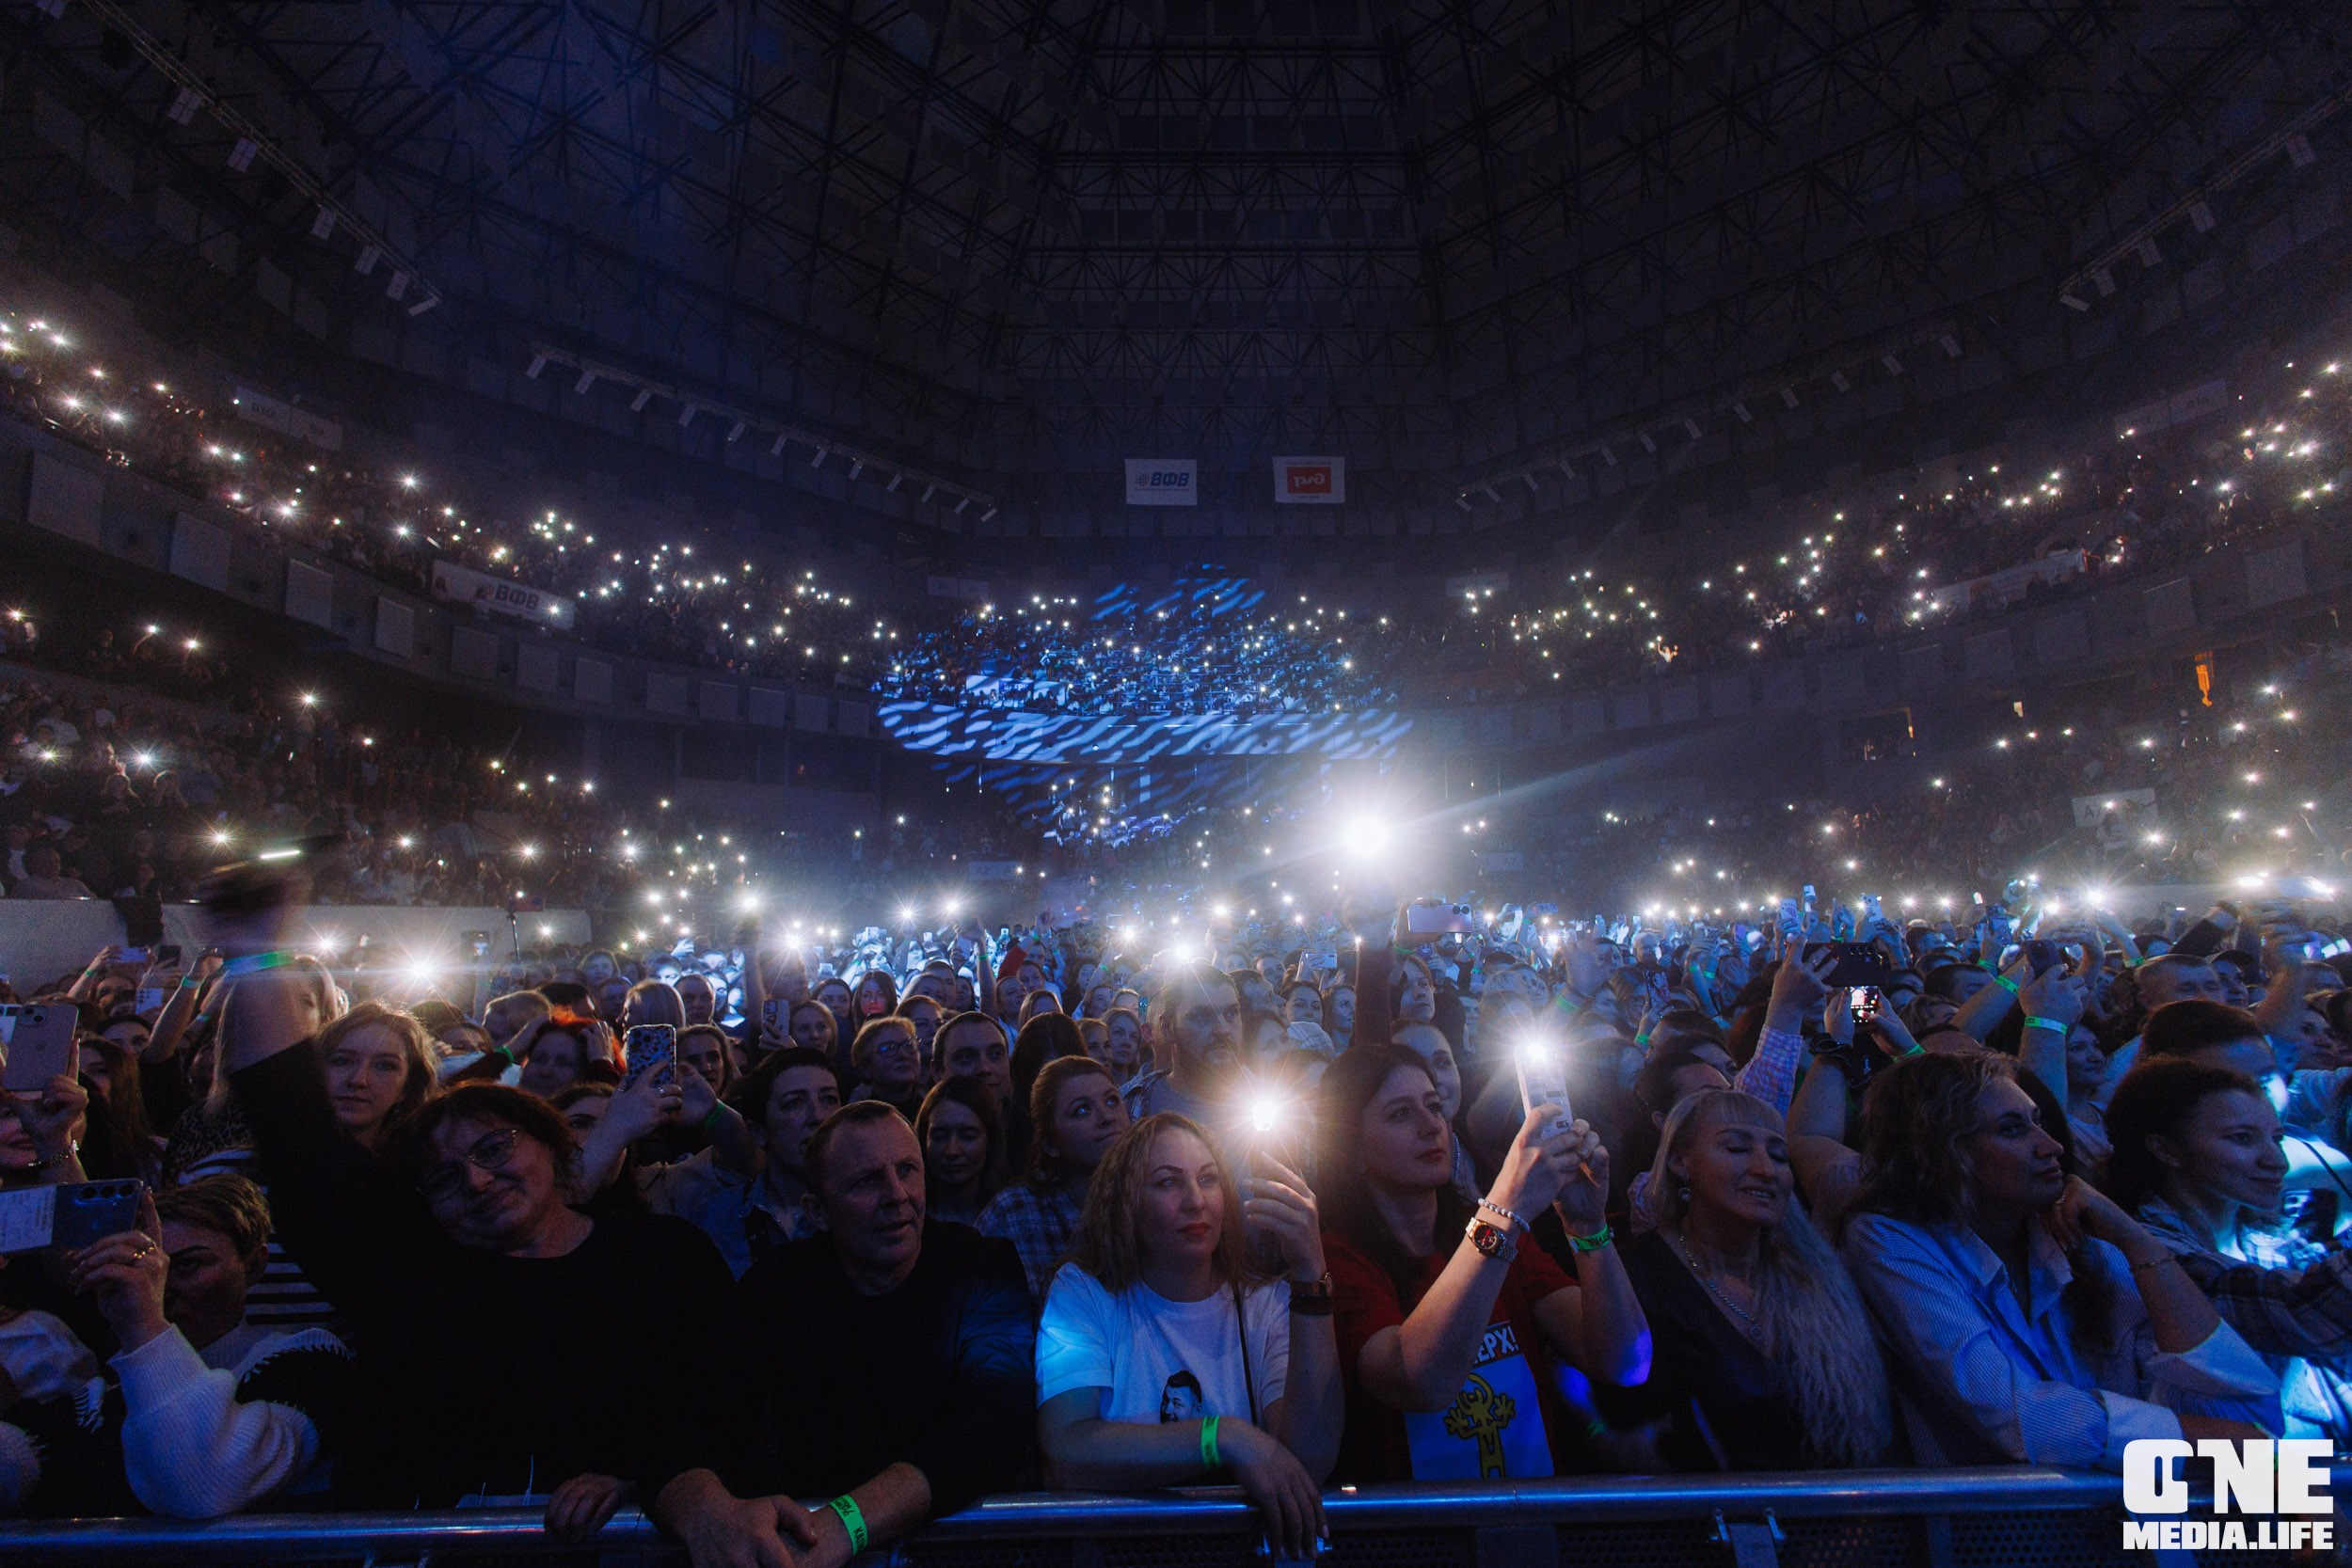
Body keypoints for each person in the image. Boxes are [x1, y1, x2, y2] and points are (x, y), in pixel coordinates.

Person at [216, 879, 743, 1544]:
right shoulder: (410, 1275)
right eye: (442, 1174)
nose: (475, 1177)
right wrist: (258, 953)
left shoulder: (663, 1259)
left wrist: (649, 1478)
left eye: (495, 1147)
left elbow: (723, 1405)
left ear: (555, 1149)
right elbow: (293, 1126)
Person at [1838, 1053, 2279, 1467]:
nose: (2051, 1146)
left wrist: (2140, 1245)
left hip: (2139, 1533)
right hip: (2002, 1537)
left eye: (2039, 1122)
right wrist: (2214, 1442)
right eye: (2012, 1130)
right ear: (1942, 1151)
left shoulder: (2086, 1246)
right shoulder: (1889, 1241)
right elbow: (2016, 1415)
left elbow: (2247, 1408)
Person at [669, 1101, 1034, 1566]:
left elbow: (994, 1422)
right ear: (817, 1212)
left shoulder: (981, 1267)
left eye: (907, 1169)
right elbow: (695, 1414)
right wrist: (706, 1511)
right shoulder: (779, 1285)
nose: (898, 1194)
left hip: (955, 1549)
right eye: (867, 1180)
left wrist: (847, 1523)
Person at [1313, 1044, 1649, 1481]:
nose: (1431, 1125)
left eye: (1434, 1106)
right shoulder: (1335, 1260)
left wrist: (1587, 1227)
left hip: (1531, 1518)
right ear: (1350, 1150)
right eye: (1400, 1114)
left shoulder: (1492, 1234)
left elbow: (1626, 1362)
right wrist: (1504, 1207)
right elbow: (1421, 1381)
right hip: (1417, 1538)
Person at [1036, 1113, 1340, 1560]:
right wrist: (1222, 1437)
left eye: (1209, 1178)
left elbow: (1308, 1459)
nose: (1195, 1201)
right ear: (1126, 1202)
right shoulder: (1082, 1293)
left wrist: (1312, 1276)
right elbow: (1067, 1452)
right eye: (1167, 1183)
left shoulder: (1268, 1302)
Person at [1608, 1090, 1891, 1468]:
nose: (1766, 1169)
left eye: (1778, 1155)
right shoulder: (1639, 1275)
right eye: (1737, 1149)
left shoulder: (1812, 1274)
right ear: (1680, 1162)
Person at [57, 1175, 355, 1517]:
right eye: (143, 1268)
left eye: (187, 1265)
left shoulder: (308, 1357)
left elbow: (206, 1484)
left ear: (254, 1265)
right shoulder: (102, 1394)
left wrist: (143, 1325)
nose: (160, 1287)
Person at [2105, 1059, 2352, 1439]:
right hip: (2234, 1489)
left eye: (2277, 1138)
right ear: (2166, 1150)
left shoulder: (2271, 1245)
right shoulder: (2147, 1255)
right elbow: (2305, 1314)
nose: (2277, 1161)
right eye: (2242, 1138)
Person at [638, 1046, 840, 1275]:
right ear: (758, 1132)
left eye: (829, 1099)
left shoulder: (867, 1207)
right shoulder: (717, 1222)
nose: (819, 1116)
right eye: (794, 1103)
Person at [978, 1056, 1131, 1298]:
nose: (1107, 1117)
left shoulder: (1150, 1196)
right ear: (1050, 1143)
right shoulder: (1016, 1212)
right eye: (1082, 1110)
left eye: (1112, 1100)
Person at [312, 1003, 437, 1151]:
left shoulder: (418, 1167)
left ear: (408, 1087)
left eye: (384, 1066)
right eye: (342, 1061)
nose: (358, 1080)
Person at [917, 1076, 1010, 1226]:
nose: (952, 1150)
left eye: (968, 1136)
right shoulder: (909, 1217)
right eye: (940, 1136)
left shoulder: (1012, 1216)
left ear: (990, 1140)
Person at [850, 1016, 923, 1117]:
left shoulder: (933, 1110)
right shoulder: (856, 1119)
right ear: (866, 1067)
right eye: (888, 1048)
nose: (903, 1055)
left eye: (909, 1045)